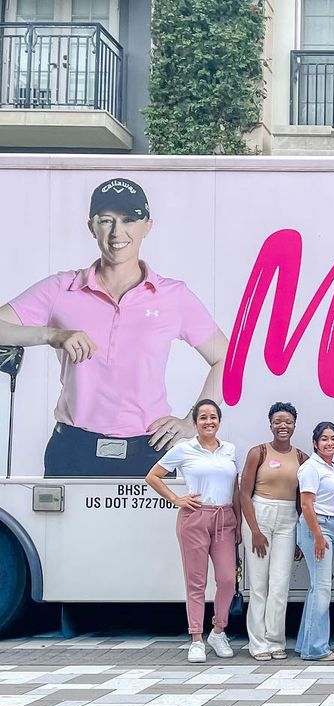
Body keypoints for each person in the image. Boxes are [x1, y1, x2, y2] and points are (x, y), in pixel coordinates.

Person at [0, 178, 228, 476]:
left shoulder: (174, 296)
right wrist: (52, 335)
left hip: (151, 450)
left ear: (147, 225)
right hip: (73, 448)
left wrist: (191, 420)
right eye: (106, 220)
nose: (117, 232)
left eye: (129, 219)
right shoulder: (61, 289)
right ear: (91, 226)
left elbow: (227, 357)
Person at [145, 399, 240, 664]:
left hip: (225, 517)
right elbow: (152, 476)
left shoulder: (229, 450)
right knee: (195, 581)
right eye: (203, 418)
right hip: (195, 517)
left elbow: (234, 488)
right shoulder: (184, 449)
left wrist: (240, 522)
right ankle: (196, 638)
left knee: (227, 580)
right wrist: (177, 499)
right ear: (195, 423)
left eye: (213, 417)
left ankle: (218, 631)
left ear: (219, 421)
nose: (209, 422)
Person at [237, 402, 308, 661]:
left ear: (294, 425)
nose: (283, 426)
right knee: (258, 586)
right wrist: (254, 529)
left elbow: (303, 500)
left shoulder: (301, 457)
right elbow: (244, 493)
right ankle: (257, 643)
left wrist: (302, 536)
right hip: (260, 515)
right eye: (278, 421)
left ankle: (276, 640)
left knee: (280, 585)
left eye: (288, 421)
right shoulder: (259, 452)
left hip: (289, 519)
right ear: (270, 424)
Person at [295, 421, 334, 662]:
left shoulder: (333, 467)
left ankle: (306, 645)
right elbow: (306, 504)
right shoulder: (310, 468)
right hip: (319, 527)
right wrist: (317, 536)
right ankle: (316, 649)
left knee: (318, 587)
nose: (329, 443)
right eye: (324, 438)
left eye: (333, 438)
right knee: (322, 589)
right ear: (315, 443)